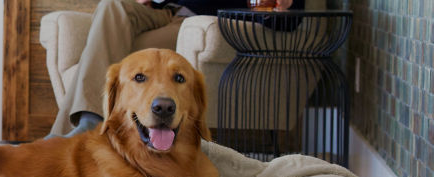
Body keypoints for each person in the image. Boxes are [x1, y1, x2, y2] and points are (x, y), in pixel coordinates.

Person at [48, 0, 299, 138]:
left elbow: (290, 16)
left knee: (122, 51)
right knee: (112, 5)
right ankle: (84, 125)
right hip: (161, 10)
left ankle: (76, 131)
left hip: (196, 19)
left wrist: (287, 6)